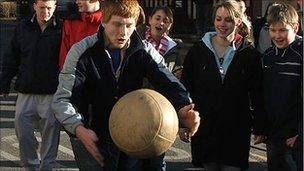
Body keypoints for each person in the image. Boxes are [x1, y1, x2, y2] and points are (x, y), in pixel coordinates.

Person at [52, 0, 200, 170]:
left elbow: (168, 81)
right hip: (94, 137)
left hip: (134, 133)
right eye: (117, 24)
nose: (123, 32)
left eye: (129, 25)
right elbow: (63, 99)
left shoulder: (144, 50)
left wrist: (184, 107)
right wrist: (78, 128)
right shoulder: (81, 52)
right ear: (103, 21)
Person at [180, 0, 267, 170]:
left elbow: (257, 93)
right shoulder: (197, 51)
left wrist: (260, 126)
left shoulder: (249, 54)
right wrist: (183, 122)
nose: (222, 24)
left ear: (238, 21)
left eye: (228, 20)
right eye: (218, 19)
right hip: (204, 130)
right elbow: (185, 88)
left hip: (236, 130)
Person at [0, 0, 61, 170]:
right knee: (23, 132)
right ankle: (30, 166)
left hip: (51, 91)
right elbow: (11, 56)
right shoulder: (23, 27)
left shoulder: (62, 28)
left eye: (49, 8)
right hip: (26, 91)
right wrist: (4, 83)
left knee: (50, 135)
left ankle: (46, 167)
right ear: (34, 6)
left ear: (55, 7)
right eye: (42, 8)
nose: (46, 12)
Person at [262, 3, 303, 171]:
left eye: (283, 30)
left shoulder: (301, 55)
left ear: (295, 27)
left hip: (296, 136)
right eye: (273, 30)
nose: (277, 36)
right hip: (274, 135)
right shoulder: (268, 57)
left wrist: (301, 134)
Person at [139, 6, 183, 79]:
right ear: (150, 20)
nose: (161, 23)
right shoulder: (137, 42)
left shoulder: (174, 49)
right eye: (157, 19)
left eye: (165, 21)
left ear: (169, 25)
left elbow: (177, 72)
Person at [58, 0, 103, 70]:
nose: (77, 2)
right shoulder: (70, 22)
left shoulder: (108, 23)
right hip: (74, 76)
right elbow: (64, 55)